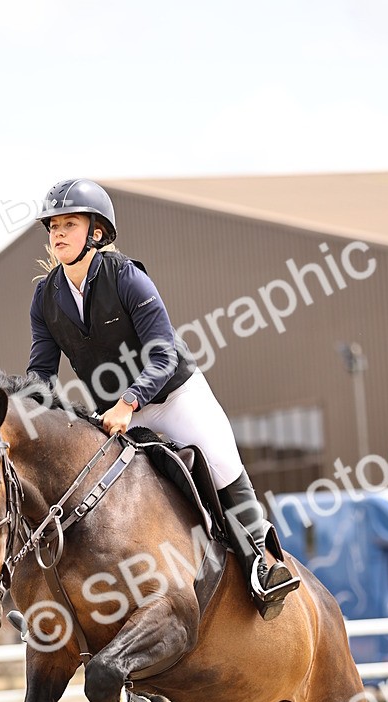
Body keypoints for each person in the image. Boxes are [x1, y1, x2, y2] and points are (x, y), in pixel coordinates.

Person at [27, 177, 299, 620]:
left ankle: (263, 564)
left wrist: (129, 402)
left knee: (221, 463)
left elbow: (162, 353)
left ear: (96, 232)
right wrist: (29, 415)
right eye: (53, 225)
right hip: (113, 414)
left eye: (68, 223)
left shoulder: (127, 277)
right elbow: (40, 372)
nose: (57, 233)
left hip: (172, 396)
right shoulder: (45, 296)